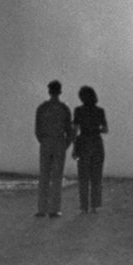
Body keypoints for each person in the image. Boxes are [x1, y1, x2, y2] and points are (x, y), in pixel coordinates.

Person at [33, 80, 73, 217]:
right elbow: (70, 131)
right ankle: (54, 209)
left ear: (49, 91)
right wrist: (65, 145)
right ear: (60, 91)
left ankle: (41, 209)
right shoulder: (64, 108)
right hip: (59, 142)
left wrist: (43, 141)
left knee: (44, 176)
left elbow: (37, 130)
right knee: (57, 177)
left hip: (45, 142)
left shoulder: (42, 108)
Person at [72, 84, 108, 213]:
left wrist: (74, 148)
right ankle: (94, 206)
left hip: (83, 142)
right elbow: (105, 129)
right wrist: (95, 128)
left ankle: (84, 207)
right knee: (96, 177)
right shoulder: (100, 111)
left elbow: (75, 130)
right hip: (97, 142)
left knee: (83, 177)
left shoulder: (78, 110)